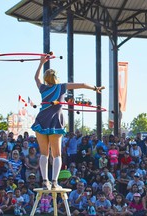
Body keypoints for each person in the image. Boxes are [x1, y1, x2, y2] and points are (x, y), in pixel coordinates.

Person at [31, 55, 105, 190]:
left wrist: (41, 63)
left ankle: (45, 181)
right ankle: (54, 182)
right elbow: (82, 85)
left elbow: (36, 78)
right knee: (57, 154)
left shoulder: (43, 88)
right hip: (54, 122)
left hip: (41, 120)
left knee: (44, 154)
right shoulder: (62, 87)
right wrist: (95, 88)